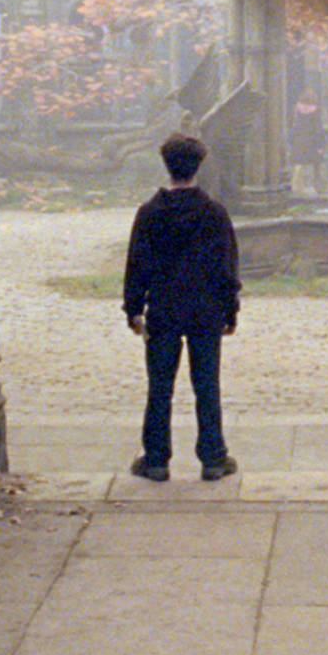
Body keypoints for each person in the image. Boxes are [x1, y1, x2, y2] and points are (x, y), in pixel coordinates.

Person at [121, 133, 240, 481]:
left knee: (160, 386)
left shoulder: (150, 213)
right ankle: (213, 459)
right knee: (207, 385)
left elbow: (136, 264)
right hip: (205, 311)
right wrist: (230, 310)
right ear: (198, 166)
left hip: (164, 310)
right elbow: (226, 267)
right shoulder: (214, 212)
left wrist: (133, 309)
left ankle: (156, 459)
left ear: (167, 165)